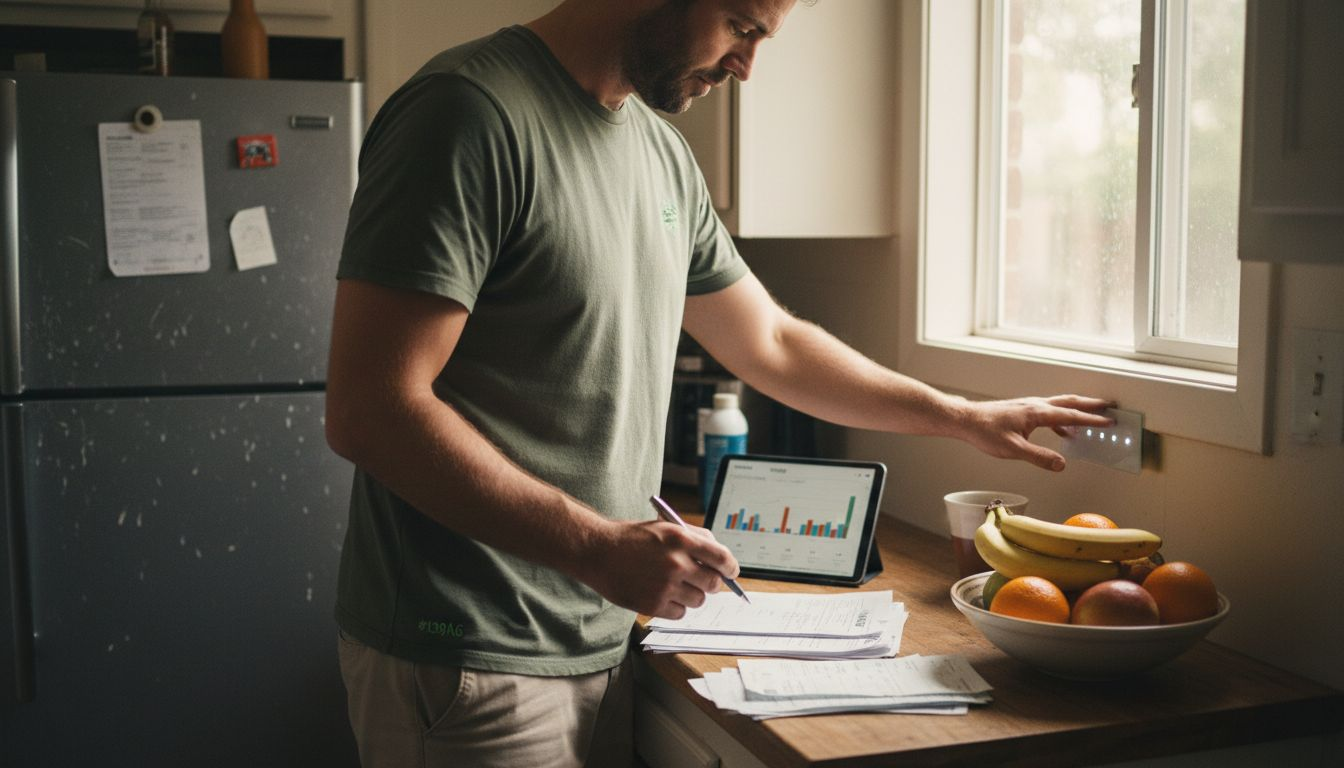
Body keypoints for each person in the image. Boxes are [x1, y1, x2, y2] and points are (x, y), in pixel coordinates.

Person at [324, 1, 1114, 766]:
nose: (746, 66)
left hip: (600, 635)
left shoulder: (658, 152)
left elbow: (770, 344)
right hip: (467, 652)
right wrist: (598, 546)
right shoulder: (467, 113)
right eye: (739, 26)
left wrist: (959, 416)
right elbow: (372, 410)